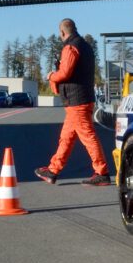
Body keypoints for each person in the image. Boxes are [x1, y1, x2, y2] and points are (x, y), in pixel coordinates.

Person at [35, 18, 110, 186]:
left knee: (88, 136)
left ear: (62, 32)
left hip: (77, 101)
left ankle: (102, 172)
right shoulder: (85, 46)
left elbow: (65, 73)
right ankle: (53, 171)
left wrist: (51, 76)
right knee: (66, 137)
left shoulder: (71, 47)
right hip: (80, 99)